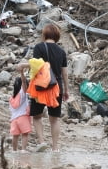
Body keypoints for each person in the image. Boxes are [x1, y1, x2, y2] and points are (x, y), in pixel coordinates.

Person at [18, 23, 69, 152]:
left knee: (37, 116)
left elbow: (36, 66)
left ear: (44, 35)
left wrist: (23, 65)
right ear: (56, 36)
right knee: (54, 119)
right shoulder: (61, 52)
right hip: (56, 87)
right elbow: (64, 73)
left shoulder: (39, 47)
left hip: (40, 88)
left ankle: (41, 142)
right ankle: (55, 148)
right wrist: (66, 90)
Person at [9, 70, 31, 153]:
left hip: (14, 119)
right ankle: (23, 150)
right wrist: (22, 73)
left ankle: (14, 150)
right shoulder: (22, 94)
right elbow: (24, 83)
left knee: (15, 135)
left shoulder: (12, 97)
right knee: (25, 134)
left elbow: (11, 109)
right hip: (23, 116)